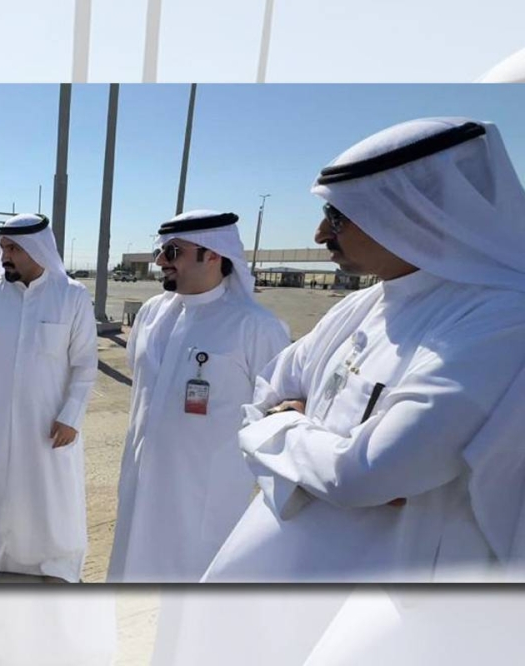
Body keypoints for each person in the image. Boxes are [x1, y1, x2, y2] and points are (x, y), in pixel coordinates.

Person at [203, 117, 525, 582]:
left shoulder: (503, 318)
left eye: (337, 216)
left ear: (412, 212)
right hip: (287, 554)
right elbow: (266, 393)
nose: (320, 234)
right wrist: (307, 439)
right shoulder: (362, 304)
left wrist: (284, 428)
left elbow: (370, 474)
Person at [107, 210, 290, 583]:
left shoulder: (256, 326)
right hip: (142, 478)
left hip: (206, 492)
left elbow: (276, 417)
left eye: (173, 252)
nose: (161, 261)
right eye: (159, 251)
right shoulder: (151, 313)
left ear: (213, 254)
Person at [0, 213, 98, 582]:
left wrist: (71, 416)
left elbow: (84, 365)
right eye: (3, 248)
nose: (5, 257)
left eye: (14, 249)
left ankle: (56, 562)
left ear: (38, 249)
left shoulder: (71, 296)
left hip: (49, 420)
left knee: (48, 491)